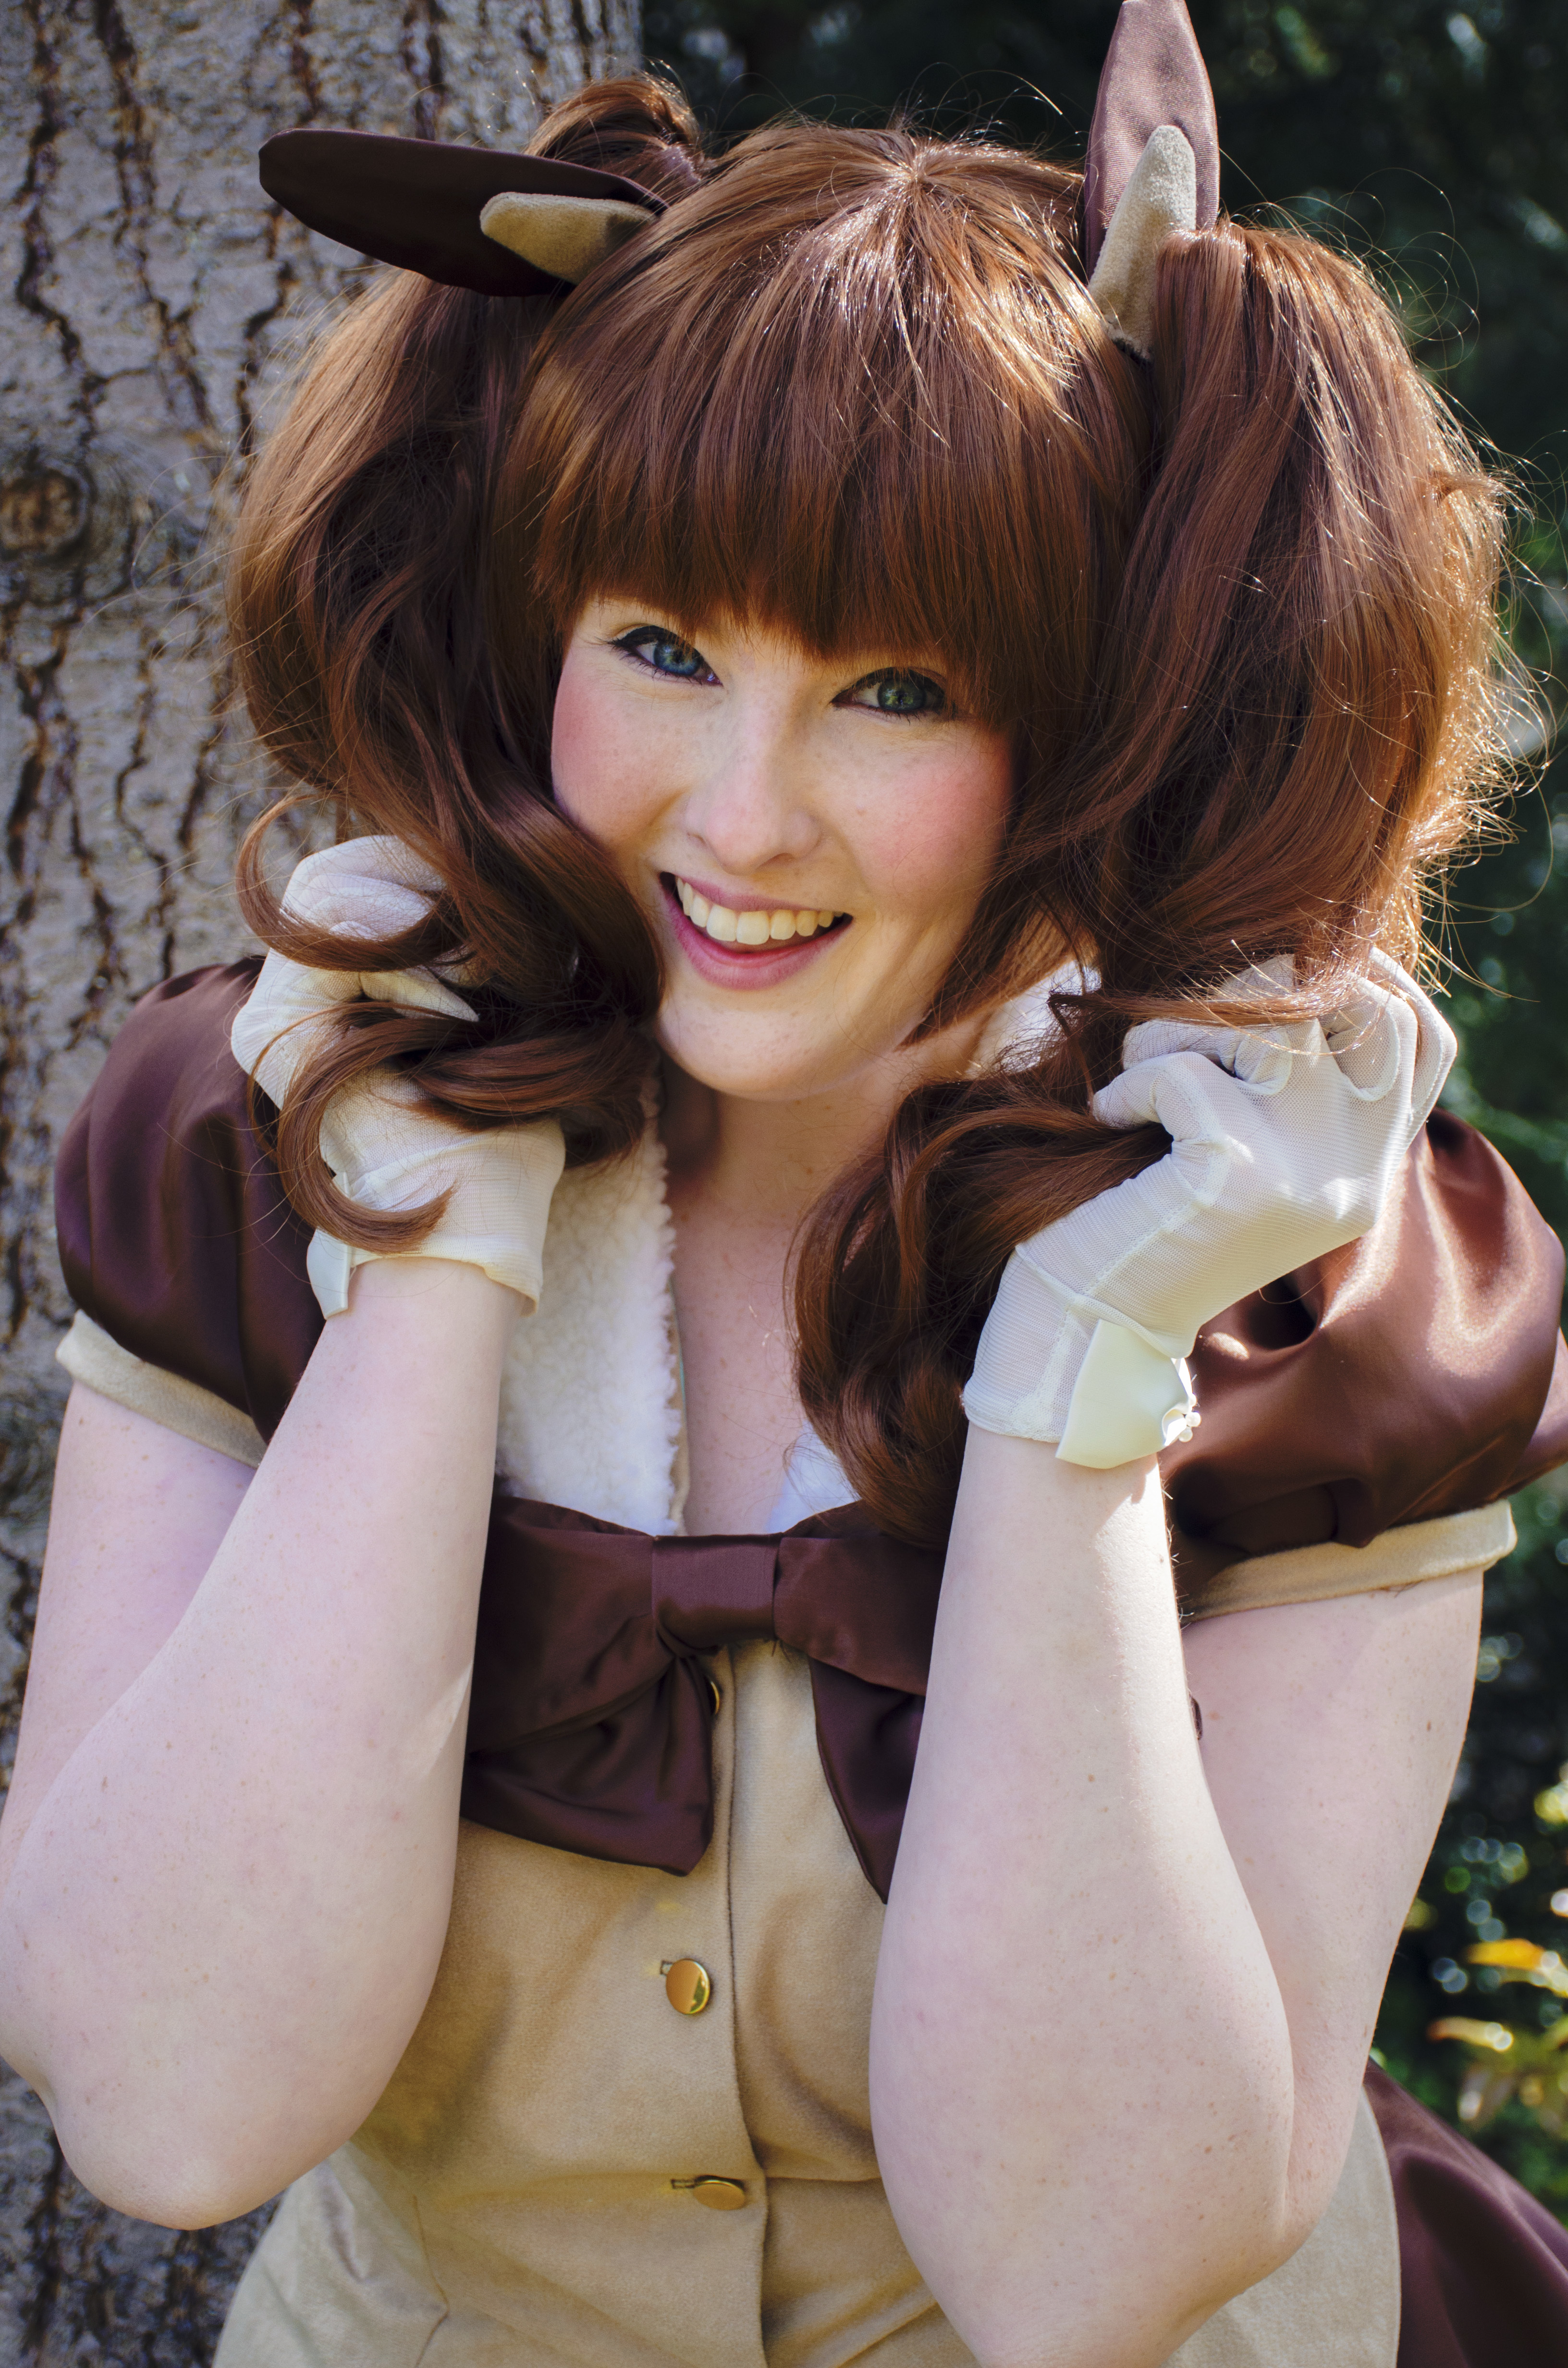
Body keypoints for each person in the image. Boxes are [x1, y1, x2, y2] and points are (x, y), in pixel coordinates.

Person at [2, 6, 1568, 2361]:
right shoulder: (262, 1139)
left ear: (1100, 712)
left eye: (897, 690)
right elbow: (172, 2100)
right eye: (659, 646)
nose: (741, 819)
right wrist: (432, 1259)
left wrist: (1087, 1366)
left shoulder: (1309, 1261)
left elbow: (1087, 2271)